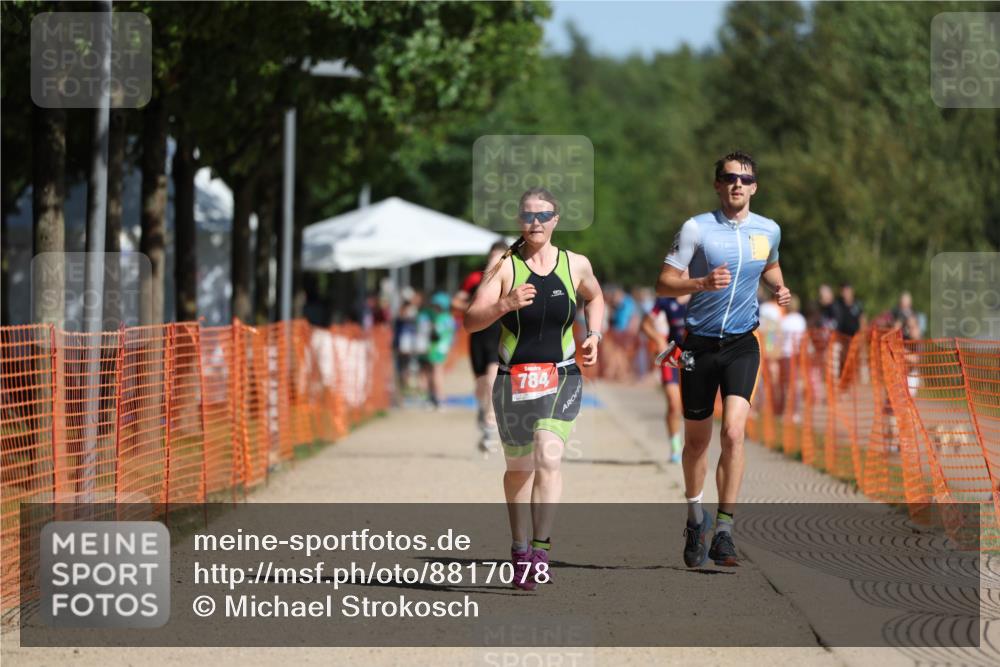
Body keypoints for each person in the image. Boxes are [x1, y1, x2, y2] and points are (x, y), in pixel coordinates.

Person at [464, 187, 604, 591]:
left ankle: (541, 550)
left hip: (561, 375)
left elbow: (596, 297)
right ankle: (520, 547)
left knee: (549, 455)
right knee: (518, 471)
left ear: (556, 220)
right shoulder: (503, 264)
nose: (536, 223)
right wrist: (503, 305)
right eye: (528, 216)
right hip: (513, 380)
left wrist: (593, 334)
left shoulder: (575, 264)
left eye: (544, 216)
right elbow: (471, 320)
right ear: (519, 221)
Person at [655, 150, 790, 568]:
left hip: (741, 344)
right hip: (696, 346)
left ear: (755, 186)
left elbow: (770, 265)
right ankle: (696, 517)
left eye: (745, 179)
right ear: (717, 184)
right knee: (697, 442)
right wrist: (699, 282)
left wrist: (779, 288)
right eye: (730, 178)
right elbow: (663, 283)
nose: (737, 185)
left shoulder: (769, 229)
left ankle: (726, 532)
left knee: (733, 433)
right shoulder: (696, 229)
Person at [453, 241, 510, 452]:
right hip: (477, 336)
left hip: (500, 336)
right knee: (480, 384)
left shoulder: (511, 278)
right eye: (494, 257)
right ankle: (481, 409)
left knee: (491, 382)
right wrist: (477, 308)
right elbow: (456, 303)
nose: (497, 261)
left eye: (502, 257)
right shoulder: (475, 279)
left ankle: (489, 429)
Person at [640, 290, 690, 463]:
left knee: (692, 406)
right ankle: (675, 446)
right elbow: (645, 324)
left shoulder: (700, 295)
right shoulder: (665, 301)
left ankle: (693, 447)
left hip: (694, 356)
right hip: (673, 356)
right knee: (674, 403)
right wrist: (659, 340)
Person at [417, 292, 455, 409]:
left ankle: (435, 397)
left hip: (434, 349)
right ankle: (437, 398)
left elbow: (434, 333)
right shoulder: (449, 318)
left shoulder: (438, 318)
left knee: (432, 373)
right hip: (441, 349)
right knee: (433, 373)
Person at [776, 295, 807, 416]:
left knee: (787, 384)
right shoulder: (801, 320)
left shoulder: (784, 321)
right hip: (798, 354)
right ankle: (795, 410)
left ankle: (787, 410)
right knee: (796, 383)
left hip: (786, 355)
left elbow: (777, 339)